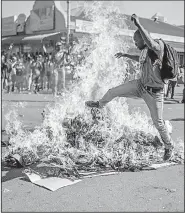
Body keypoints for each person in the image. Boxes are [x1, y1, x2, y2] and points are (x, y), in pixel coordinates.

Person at [85, 14, 174, 161]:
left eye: (135, 40)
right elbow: (140, 58)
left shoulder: (157, 47)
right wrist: (126, 55)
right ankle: (99, 105)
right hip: (140, 86)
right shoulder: (145, 51)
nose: (135, 43)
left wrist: (138, 24)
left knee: (158, 123)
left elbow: (151, 43)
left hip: (155, 94)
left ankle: (169, 146)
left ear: (142, 38)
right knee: (113, 91)